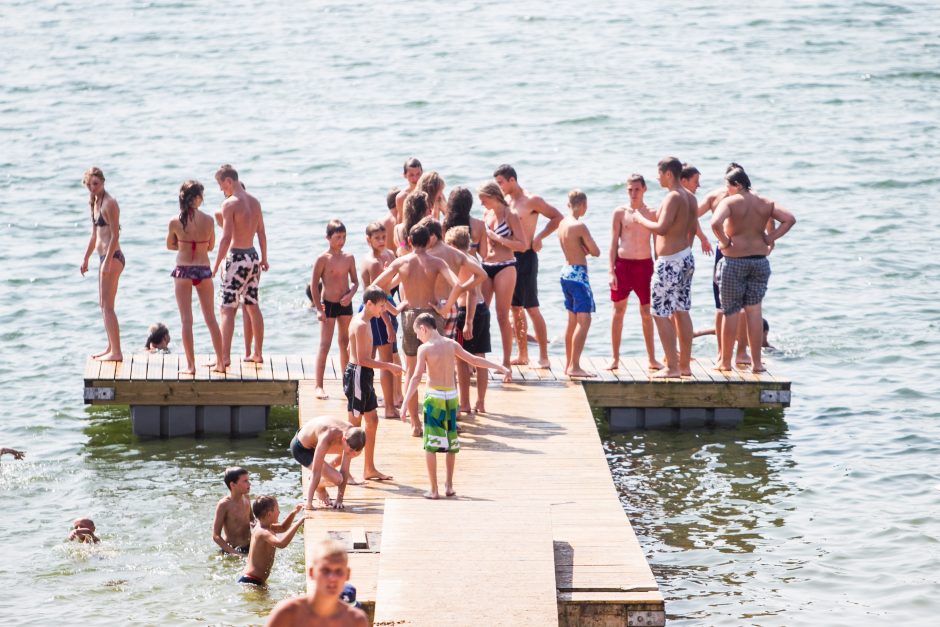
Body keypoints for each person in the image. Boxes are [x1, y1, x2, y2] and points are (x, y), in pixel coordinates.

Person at [369, 221, 465, 436]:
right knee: (440, 369)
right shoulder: (437, 261)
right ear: (430, 240)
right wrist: (446, 307)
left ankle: (415, 423)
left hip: (410, 315)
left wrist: (394, 309)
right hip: (431, 316)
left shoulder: (401, 262)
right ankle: (444, 419)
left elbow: (375, 287)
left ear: (410, 241)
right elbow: (458, 284)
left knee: (412, 371)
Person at [400, 313, 509, 499]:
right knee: (451, 444)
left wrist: (404, 405)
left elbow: (416, 377)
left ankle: (434, 489)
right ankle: (448, 486)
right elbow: (475, 360)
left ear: (423, 328)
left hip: (434, 399)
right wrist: (501, 367)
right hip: (451, 399)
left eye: (417, 333)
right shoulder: (451, 344)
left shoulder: (424, 348)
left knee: (430, 446)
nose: (418, 337)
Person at [711, 167, 795, 373]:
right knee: (754, 312)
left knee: (730, 311)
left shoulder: (730, 202)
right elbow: (790, 219)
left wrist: (724, 242)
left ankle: (725, 363)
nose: (726, 190)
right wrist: (769, 238)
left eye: (728, 186)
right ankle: (757, 365)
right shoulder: (765, 203)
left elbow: (715, 223)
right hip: (759, 261)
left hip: (734, 261)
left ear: (737, 185)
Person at [629, 157, 699, 378]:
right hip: (686, 257)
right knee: (681, 310)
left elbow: (661, 228)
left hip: (670, 262)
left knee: (659, 313)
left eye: (659, 173)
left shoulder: (673, 196)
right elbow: (690, 229)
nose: (658, 177)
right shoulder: (690, 197)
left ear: (668, 173)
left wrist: (640, 220)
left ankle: (672, 367)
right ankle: (684, 365)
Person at [493, 164, 562, 368]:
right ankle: (522, 354)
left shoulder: (532, 200)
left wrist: (540, 237)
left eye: (501, 183)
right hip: (508, 259)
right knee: (515, 309)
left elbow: (557, 217)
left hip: (527, 257)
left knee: (531, 307)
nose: (500, 187)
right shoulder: (504, 201)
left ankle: (544, 356)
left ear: (512, 180)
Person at [212, 164, 268, 367]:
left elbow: (226, 238)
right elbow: (261, 232)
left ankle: (223, 359)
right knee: (252, 305)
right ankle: (258, 353)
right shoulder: (255, 202)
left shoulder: (230, 204)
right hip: (253, 257)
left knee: (227, 309)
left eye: (221, 184)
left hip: (236, 258)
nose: (221, 189)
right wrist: (264, 258)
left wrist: (216, 263)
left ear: (229, 181)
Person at [346, 287, 405, 481]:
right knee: (353, 428)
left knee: (372, 421)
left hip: (364, 375)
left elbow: (349, 348)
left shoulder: (368, 320)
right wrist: (388, 366)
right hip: (358, 374)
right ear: (369, 304)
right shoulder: (361, 324)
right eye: (381, 307)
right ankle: (343, 471)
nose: (383, 310)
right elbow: (362, 359)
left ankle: (369, 469)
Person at [167, 180, 226, 374]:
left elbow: (170, 245)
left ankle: (191, 366)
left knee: (186, 320)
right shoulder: (209, 220)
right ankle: (220, 362)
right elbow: (210, 247)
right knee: (210, 318)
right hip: (203, 269)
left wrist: (183, 245)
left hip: (183, 270)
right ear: (198, 198)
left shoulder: (175, 221)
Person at [607, 174, 663, 371]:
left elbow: (657, 245)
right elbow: (613, 243)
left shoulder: (652, 213)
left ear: (645, 189)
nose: (633, 193)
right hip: (623, 266)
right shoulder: (620, 212)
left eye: (637, 189)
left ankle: (652, 359)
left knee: (647, 313)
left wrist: (658, 269)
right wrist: (610, 271)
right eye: (630, 189)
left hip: (644, 266)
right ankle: (614, 358)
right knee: (618, 312)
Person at [697, 163, 751, 365]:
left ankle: (742, 352)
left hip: (742, 250)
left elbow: (768, 218)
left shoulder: (751, 197)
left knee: (746, 306)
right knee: (721, 306)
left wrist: (768, 241)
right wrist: (702, 237)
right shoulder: (716, 196)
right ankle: (722, 352)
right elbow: (691, 215)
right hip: (725, 250)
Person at [477, 182, 527, 383]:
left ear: (493, 195)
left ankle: (506, 362)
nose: (481, 203)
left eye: (483, 199)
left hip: (506, 265)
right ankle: (478, 360)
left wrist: (500, 239)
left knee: (501, 315)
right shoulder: (487, 215)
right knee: (481, 313)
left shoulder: (510, 214)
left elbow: (523, 245)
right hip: (486, 265)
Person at [264, 538, 369, 627]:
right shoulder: (287, 613)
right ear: (311, 572)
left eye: (338, 571)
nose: (332, 578)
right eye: (325, 571)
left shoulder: (356, 621)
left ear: (348, 574)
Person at [310, 219, 359, 400]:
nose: (341, 240)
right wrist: (319, 309)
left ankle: (347, 384)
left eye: (344, 237)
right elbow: (314, 285)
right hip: (328, 304)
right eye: (338, 237)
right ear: (328, 238)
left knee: (345, 343)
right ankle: (318, 386)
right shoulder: (323, 259)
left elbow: (355, 282)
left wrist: (351, 294)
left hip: (345, 304)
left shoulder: (349, 258)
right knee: (325, 344)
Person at [445, 226, 492, 413]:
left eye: (448, 245)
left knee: (462, 361)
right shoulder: (473, 259)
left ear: (454, 245)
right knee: (480, 357)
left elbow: (472, 293)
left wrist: (468, 322)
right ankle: (480, 401)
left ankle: (465, 402)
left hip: (468, 312)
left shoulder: (462, 263)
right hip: (482, 310)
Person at [80, 166, 124, 362]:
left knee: (108, 306)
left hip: (112, 257)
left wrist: (107, 261)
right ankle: (110, 346)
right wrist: (86, 258)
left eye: (96, 184)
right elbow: (94, 235)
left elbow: (115, 234)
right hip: (102, 257)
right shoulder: (94, 202)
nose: (93, 188)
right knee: (103, 305)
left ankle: (117, 352)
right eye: (89, 185)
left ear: (103, 182)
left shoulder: (109, 203)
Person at [360, 222, 402, 418]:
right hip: (378, 311)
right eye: (376, 238)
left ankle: (387, 400)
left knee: (381, 357)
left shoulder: (389, 255)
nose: (381, 241)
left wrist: (401, 277)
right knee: (383, 361)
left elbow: (387, 286)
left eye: (383, 237)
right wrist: (388, 324)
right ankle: (388, 408)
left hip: (384, 304)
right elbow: (377, 296)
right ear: (368, 240)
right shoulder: (374, 262)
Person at [558, 190, 600, 378]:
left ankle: (569, 363)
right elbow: (596, 251)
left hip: (565, 272)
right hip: (578, 275)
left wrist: (582, 249)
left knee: (572, 322)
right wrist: (587, 249)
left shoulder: (562, 224)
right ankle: (575, 366)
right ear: (583, 205)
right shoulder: (579, 226)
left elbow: (572, 247)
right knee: (584, 322)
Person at [422, 217, 486, 340]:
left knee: (430, 349)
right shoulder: (456, 254)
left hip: (435, 307)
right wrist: (461, 289)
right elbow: (482, 274)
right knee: (447, 349)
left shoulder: (428, 256)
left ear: (433, 237)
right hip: (452, 306)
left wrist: (461, 288)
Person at [291, 416, 366, 510]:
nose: (351, 453)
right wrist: (309, 503)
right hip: (301, 448)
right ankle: (319, 487)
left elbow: (345, 471)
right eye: (351, 450)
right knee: (337, 479)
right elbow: (316, 473)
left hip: (315, 442)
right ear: (344, 439)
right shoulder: (327, 436)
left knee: (352, 458)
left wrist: (339, 499)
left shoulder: (351, 433)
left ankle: (324, 476)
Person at [239, 497, 304, 587]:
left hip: (252, 579)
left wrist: (294, 512)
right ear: (269, 514)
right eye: (277, 510)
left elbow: (283, 527)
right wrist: (298, 523)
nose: (279, 512)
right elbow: (282, 544)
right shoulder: (263, 532)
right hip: (252, 580)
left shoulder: (264, 525)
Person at [212, 467, 254, 556]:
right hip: (232, 549)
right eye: (245, 481)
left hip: (249, 546)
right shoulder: (224, 505)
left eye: (248, 480)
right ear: (233, 485)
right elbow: (216, 536)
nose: (249, 483)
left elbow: (252, 519)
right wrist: (234, 553)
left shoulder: (246, 497)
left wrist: (256, 524)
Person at [680, 164, 714, 256]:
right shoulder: (681, 199)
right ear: (683, 181)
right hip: (677, 255)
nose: (698, 185)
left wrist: (703, 239)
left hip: (682, 253)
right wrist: (703, 239)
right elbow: (692, 219)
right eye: (695, 182)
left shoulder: (684, 199)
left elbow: (692, 218)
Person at [442, 186, 485, 257]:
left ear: (451, 204)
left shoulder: (445, 225)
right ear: (470, 204)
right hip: (473, 266)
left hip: (453, 266)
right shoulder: (480, 225)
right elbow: (484, 254)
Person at [393, 188, 431, 258]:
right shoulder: (428, 230)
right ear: (421, 211)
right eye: (428, 207)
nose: (430, 210)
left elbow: (402, 246)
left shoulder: (398, 229)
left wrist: (402, 247)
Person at [393, 158, 423, 244]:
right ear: (404, 175)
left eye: (418, 174)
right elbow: (400, 225)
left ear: (422, 173)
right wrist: (402, 246)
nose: (415, 178)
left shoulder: (429, 191)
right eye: (411, 175)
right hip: (411, 240)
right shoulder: (401, 197)